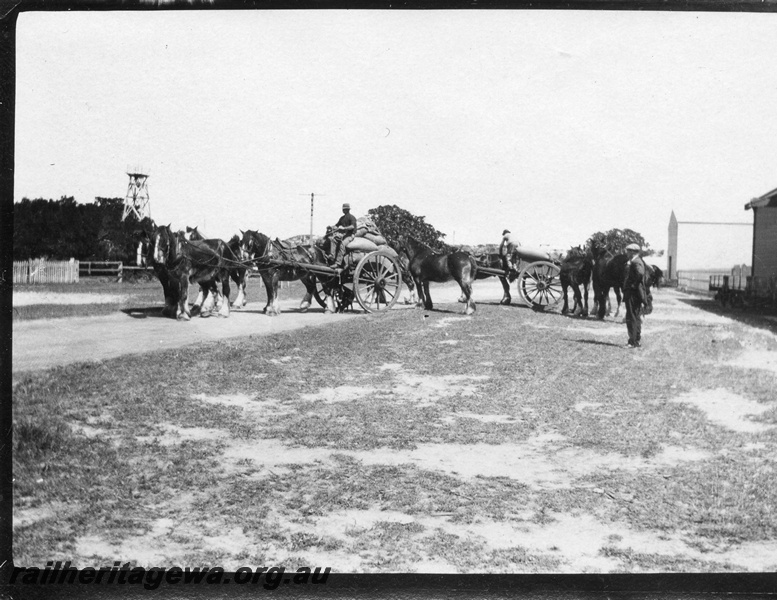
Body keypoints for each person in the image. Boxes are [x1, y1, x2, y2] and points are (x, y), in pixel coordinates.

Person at [623, 243, 648, 348]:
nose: (627, 253)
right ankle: (636, 340)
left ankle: (632, 342)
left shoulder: (636, 262)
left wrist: (632, 286)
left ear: (633, 252)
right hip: (636, 293)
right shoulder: (636, 261)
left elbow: (640, 274)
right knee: (636, 316)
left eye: (628, 251)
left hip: (633, 293)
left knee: (631, 316)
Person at [329, 203, 357, 270]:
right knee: (333, 239)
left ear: (348, 210)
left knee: (342, 244)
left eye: (344, 209)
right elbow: (337, 225)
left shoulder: (352, 217)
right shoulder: (342, 218)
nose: (343, 210)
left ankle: (338, 263)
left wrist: (344, 228)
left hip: (350, 235)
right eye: (343, 209)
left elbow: (352, 226)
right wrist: (332, 227)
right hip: (343, 235)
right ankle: (332, 256)